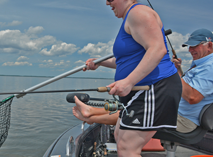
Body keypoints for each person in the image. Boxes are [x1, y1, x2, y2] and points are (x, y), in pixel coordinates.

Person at [77, 0, 182, 157]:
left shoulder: (138, 13)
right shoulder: (130, 18)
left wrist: (128, 81)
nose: (108, 3)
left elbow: (157, 49)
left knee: (128, 146)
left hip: (154, 88)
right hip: (141, 89)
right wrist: (100, 63)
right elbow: (128, 60)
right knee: (119, 135)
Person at [73, 28, 213, 134]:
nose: (190, 50)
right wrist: (101, 62)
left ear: (210, 46)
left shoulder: (210, 66)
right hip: (175, 110)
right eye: (189, 46)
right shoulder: (200, 64)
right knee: (137, 104)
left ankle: (90, 117)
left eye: (195, 46)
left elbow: (193, 97)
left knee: (138, 110)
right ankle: (90, 111)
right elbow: (136, 64)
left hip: (183, 120)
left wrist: (167, 67)